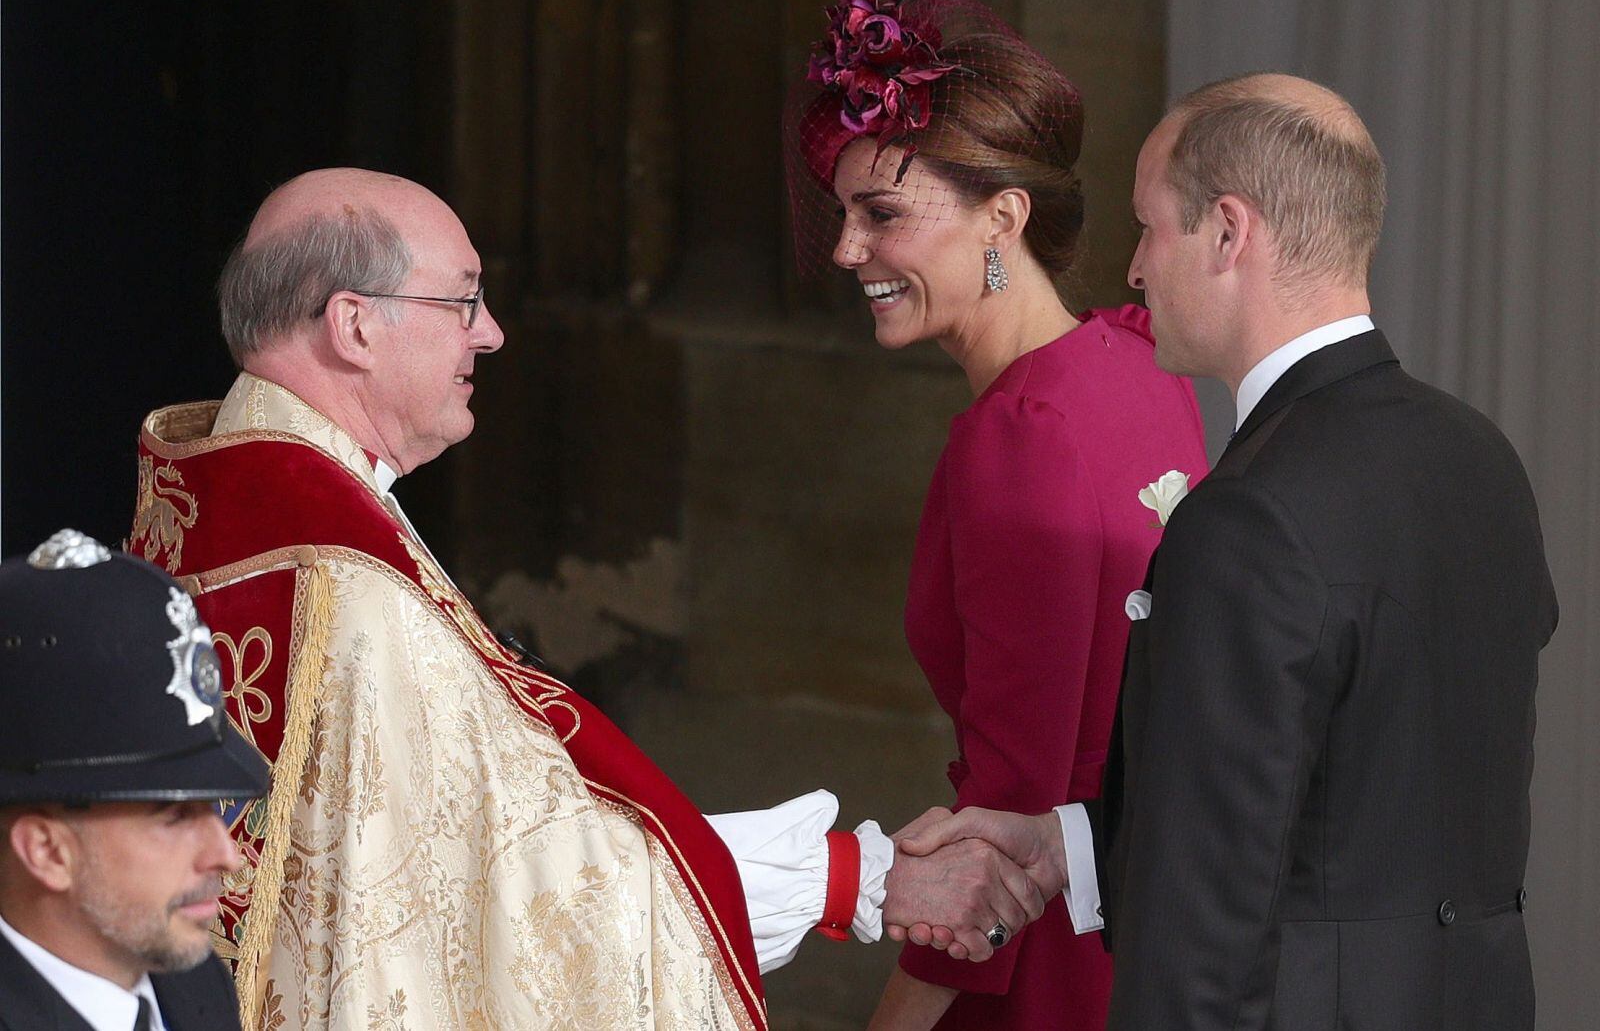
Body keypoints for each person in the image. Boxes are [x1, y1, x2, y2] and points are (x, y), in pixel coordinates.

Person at [128, 166, 1041, 1029]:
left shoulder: (212, 497)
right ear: (355, 326)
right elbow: (527, 901)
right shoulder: (354, 593)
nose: (489, 333)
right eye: (463, 301)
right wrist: (851, 878)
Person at [896, 73, 1559, 1029]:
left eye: (1150, 226)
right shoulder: (1480, 458)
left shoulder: (1249, 517)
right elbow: (1355, 811)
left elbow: (1201, 932)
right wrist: (1063, 848)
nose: (1133, 269)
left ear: (1228, 233)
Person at [786, 0, 1208, 1030]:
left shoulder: (1018, 438)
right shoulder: (1137, 363)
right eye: (842, 216)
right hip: (1154, 930)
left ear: (1001, 217)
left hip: (1045, 971)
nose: (847, 250)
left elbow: (1009, 813)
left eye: (881, 214)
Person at [0, 529, 272, 1031]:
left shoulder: (193, 986)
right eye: (173, 816)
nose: (228, 856)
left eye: (212, 807)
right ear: (46, 851)